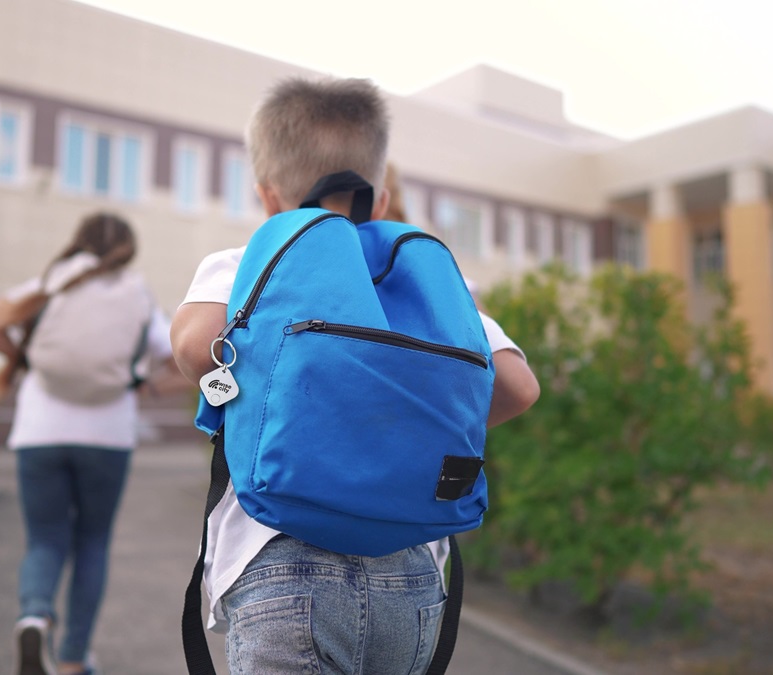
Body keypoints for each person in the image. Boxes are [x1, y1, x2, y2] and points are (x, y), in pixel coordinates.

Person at [171, 77, 540, 674]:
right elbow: (519, 387)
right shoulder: (425, 282)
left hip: (280, 556)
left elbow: (192, 350)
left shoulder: (249, 263)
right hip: (414, 571)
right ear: (383, 200)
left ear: (267, 199)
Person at [0, 212, 175, 675]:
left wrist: (22, 357)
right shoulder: (139, 294)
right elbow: (183, 355)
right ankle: (71, 661)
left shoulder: (49, 282)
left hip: (39, 432)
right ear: (127, 250)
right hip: (107, 437)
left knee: (44, 539)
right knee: (92, 542)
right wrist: (146, 381)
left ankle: (34, 615)